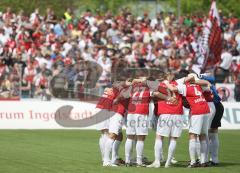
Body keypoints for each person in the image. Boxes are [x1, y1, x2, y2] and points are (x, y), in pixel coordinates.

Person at [148, 72, 184, 168]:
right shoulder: (179, 85)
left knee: (159, 137)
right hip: (178, 113)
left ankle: (157, 161)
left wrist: (166, 98)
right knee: (173, 138)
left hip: (165, 113)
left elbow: (154, 93)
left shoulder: (161, 84)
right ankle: (168, 162)